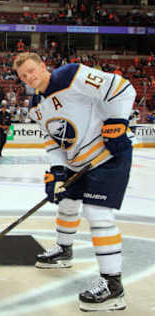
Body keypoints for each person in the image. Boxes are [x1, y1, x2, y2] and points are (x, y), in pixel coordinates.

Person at [14, 52, 136, 312]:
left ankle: (113, 286)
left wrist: (117, 121)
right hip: (76, 162)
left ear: (44, 66)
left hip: (108, 154)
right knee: (67, 202)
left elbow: (122, 88)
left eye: (32, 71)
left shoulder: (70, 75)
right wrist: (58, 170)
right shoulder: (36, 106)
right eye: (23, 76)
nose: (29, 78)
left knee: (97, 213)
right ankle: (64, 250)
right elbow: (51, 139)